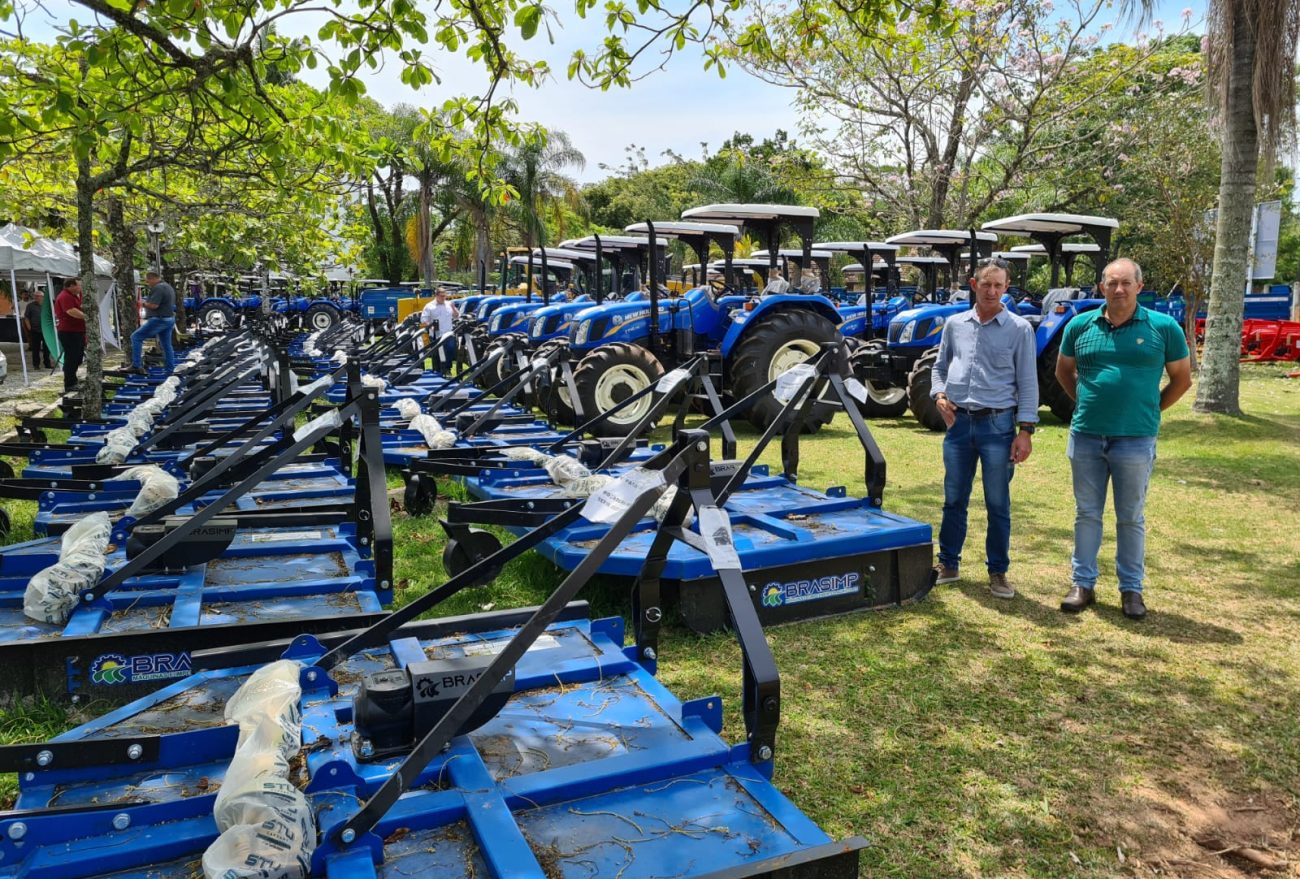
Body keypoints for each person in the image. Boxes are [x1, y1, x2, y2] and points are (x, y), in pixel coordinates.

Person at [1054, 258, 1192, 620]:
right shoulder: (1080, 325)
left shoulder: (1163, 327)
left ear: (1139, 286)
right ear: (1101, 287)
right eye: (1112, 283)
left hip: (1135, 439)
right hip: (1086, 436)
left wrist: (1151, 410)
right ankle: (1082, 584)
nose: (1119, 289)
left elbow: (1181, 378)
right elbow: (1063, 371)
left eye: (1126, 283)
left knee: (1130, 517)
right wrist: (1083, 402)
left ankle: (1131, 590)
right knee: (1087, 514)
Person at [930, 258, 1039, 599]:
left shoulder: (1020, 329)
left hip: (998, 426)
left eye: (998, 285)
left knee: (997, 502)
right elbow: (938, 367)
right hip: (960, 425)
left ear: (1006, 288)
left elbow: (1028, 382)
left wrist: (1025, 430)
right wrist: (939, 395)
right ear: (973, 285)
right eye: (986, 284)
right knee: (954, 498)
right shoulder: (954, 324)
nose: (992, 291)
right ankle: (948, 563)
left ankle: (998, 571)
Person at [130, 271, 177, 374]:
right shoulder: (168, 287)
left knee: (136, 337)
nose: (148, 284)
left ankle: (136, 365)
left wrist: (142, 303)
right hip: (169, 318)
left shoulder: (158, 288)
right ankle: (170, 369)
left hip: (159, 319)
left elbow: (154, 305)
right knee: (166, 345)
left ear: (152, 279)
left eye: (148, 281)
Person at [54, 277, 86, 393]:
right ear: (71, 286)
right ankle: (69, 383)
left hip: (77, 331)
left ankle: (73, 379)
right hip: (69, 332)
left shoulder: (75, 295)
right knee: (72, 358)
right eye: (78, 285)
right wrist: (87, 317)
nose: (80, 287)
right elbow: (71, 311)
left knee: (78, 357)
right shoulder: (65, 296)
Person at [420, 286, 459, 368]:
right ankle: (437, 370)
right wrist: (430, 326)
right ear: (436, 295)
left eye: (444, 296)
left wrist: (453, 308)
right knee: (437, 353)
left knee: (450, 350)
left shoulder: (449, 304)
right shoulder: (429, 306)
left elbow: (456, 316)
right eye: (441, 296)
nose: (443, 298)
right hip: (436, 333)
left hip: (448, 333)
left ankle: (448, 369)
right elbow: (423, 319)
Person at [23, 288, 52, 369]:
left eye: (38, 296)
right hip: (35, 330)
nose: (36, 298)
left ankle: (47, 364)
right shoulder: (30, 306)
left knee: (47, 348)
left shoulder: (47, 305)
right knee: (35, 348)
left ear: (42, 297)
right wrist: (29, 326)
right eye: (35, 296)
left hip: (46, 330)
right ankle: (36, 365)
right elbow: (26, 317)